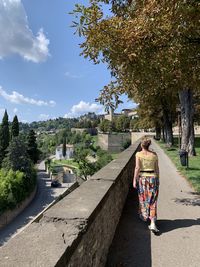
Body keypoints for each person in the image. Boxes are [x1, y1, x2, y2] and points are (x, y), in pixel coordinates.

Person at [133, 136, 160, 233]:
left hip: (143, 179)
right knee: (153, 200)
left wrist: (134, 180)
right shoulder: (154, 155)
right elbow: (157, 168)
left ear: (141, 145)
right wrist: (158, 179)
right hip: (153, 178)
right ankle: (152, 222)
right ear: (149, 145)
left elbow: (137, 168)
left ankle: (144, 216)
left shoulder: (138, 154)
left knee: (143, 198)